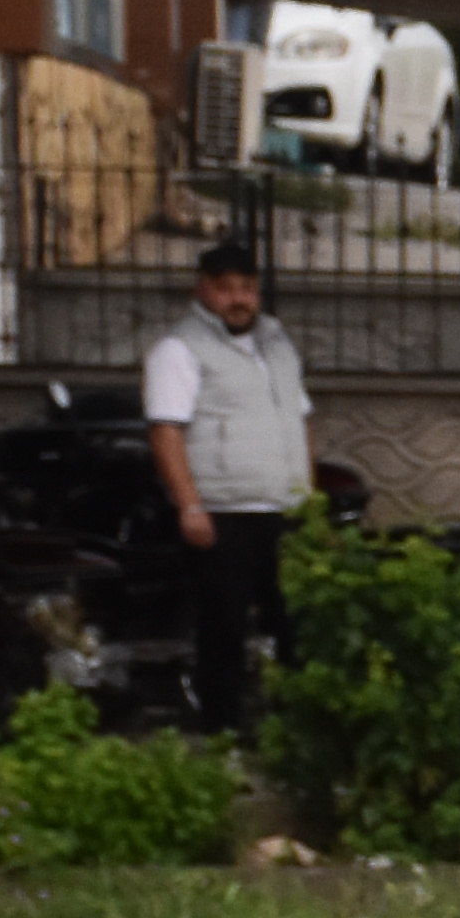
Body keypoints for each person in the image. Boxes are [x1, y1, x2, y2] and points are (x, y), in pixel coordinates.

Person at [141, 240, 315, 731]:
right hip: (224, 510)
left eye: (246, 288)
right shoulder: (179, 350)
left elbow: (301, 421)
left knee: (293, 622)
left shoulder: (277, 345)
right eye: (225, 289)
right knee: (224, 629)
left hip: (282, 508)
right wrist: (190, 506)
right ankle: (223, 736)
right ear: (203, 289)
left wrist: (310, 497)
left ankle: (295, 729)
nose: (238, 299)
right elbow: (166, 430)